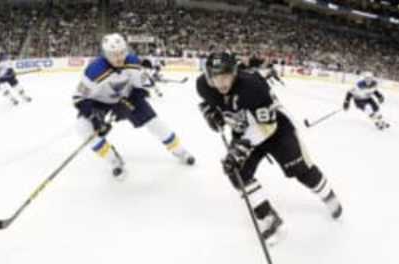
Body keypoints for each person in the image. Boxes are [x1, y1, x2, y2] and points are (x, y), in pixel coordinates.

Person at [196, 52, 342, 242]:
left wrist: (241, 148)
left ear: (235, 73)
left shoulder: (253, 86)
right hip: (244, 132)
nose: (222, 83)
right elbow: (218, 107)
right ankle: (268, 217)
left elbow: (268, 125)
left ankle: (329, 196)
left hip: (276, 130)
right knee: (236, 172)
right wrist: (212, 115)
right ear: (208, 77)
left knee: (302, 171)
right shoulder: (203, 87)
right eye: (216, 78)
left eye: (226, 76)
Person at [73, 33, 195, 179]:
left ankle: (179, 150)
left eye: (122, 53)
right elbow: (79, 98)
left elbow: (141, 89)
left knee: (156, 124)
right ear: (105, 54)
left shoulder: (133, 62)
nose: (118, 58)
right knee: (82, 127)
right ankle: (113, 160)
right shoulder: (94, 71)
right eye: (113, 54)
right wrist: (94, 118)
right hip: (100, 103)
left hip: (128, 96)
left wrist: (128, 104)